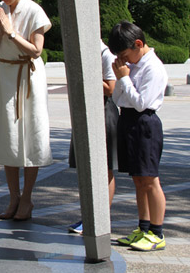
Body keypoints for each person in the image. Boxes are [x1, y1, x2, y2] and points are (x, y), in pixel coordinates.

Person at [0, 0, 52, 221]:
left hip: (29, 75)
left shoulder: (34, 10)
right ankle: (13, 196)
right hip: (6, 75)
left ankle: (27, 198)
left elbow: (36, 50)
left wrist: (11, 32)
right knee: (9, 137)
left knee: (31, 134)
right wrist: (1, 30)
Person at [108, 21, 168, 252]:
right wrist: (122, 77)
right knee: (138, 178)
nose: (124, 60)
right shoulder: (131, 66)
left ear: (138, 44)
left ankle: (157, 231)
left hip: (145, 124)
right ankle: (143, 227)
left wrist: (123, 77)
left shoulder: (152, 67)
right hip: (128, 120)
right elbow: (119, 98)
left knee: (150, 179)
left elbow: (143, 104)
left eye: (125, 54)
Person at [68, 40, 119, 234]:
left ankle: (101, 218)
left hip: (104, 111)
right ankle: (89, 217)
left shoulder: (105, 54)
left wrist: (87, 73)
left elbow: (110, 87)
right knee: (86, 167)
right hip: (85, 110)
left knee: (104, 168)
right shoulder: (82, 53)